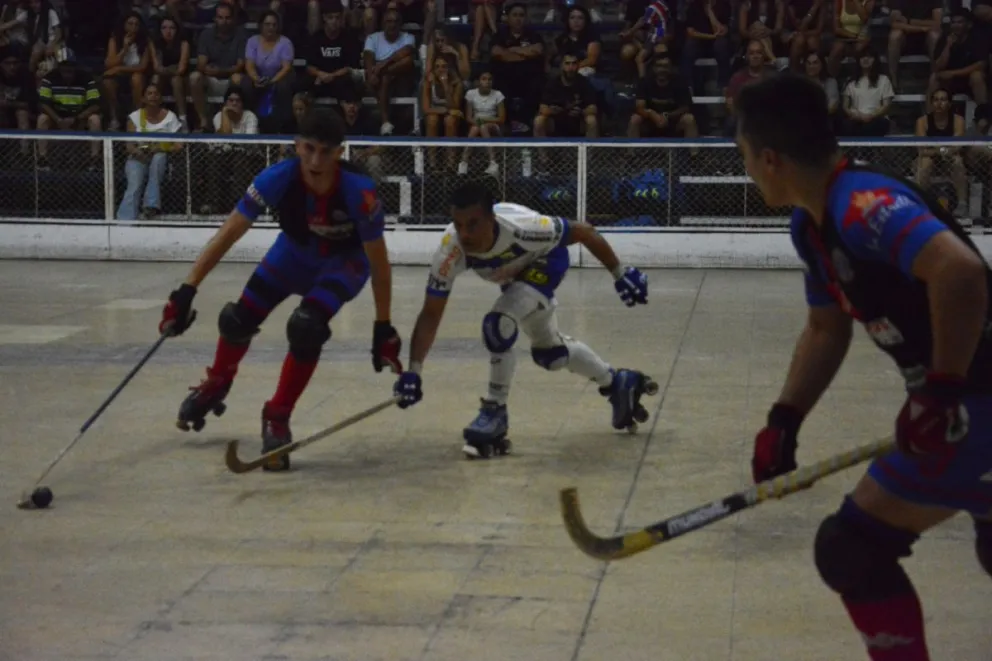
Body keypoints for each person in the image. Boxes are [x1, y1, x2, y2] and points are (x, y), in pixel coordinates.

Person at [735, 72, 992, 661]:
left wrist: (939, 391)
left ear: (769, 159)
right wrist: (785, 418)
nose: (746, 169)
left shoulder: (860, 205)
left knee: (851, 548)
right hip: (966, 402)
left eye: (744, 155)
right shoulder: (812, 225)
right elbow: (827, 328)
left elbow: (959, 271)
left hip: (975, 402)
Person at [159, 108, 402, 472]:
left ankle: (278, 415)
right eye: (309, 149)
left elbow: (379, 263)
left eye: (325, 152)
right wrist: (186, 289)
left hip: (342, 263)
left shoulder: (360, 192)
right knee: (237, 319)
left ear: (340, 152)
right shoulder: (276, 178)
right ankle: (217, 382)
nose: (315, 161)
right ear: (296, 145)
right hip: (293, 253)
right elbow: (229, 233)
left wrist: (383, 325)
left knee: (306, 328)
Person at [391, 182, 656, 459]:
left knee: (498, 325)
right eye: (458, 225)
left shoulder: (524, 227)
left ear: (492, 219)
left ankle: (495, 410)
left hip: (547, 261)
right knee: (550, 354)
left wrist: (619, 273)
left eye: (473, 224)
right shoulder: (450, 251)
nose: (465, 234)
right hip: (514, 275)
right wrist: (413, 371)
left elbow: (584, 231)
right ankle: (617, 382)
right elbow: (430, 314)